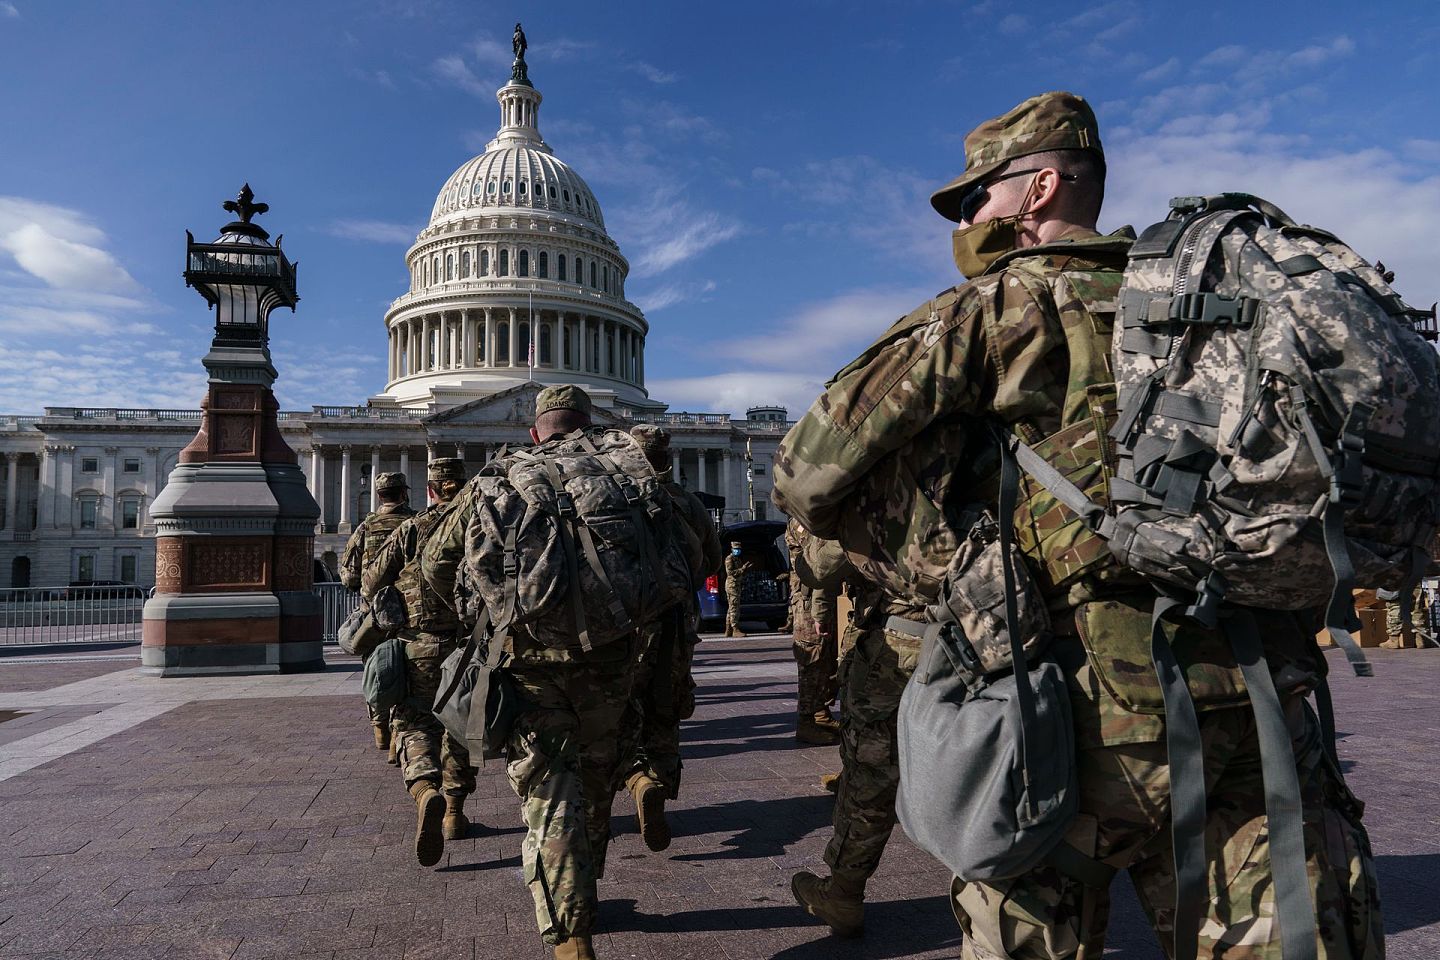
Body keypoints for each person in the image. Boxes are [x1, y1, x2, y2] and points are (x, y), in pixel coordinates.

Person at [772, 91, 1382, 957]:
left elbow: (806, 469)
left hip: (1072, 715)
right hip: (1257, 699)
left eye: (978, 193)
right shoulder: (1222, 307)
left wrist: (958, 575)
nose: (969, 214)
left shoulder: (997, 307)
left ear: (1039, 188)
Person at [419, 384, 639, 960]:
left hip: (529, 659)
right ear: (589, 424)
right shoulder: (628, 476)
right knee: (596, 782)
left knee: (549, 792)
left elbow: (435, 567)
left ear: (534, 430)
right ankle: (584, 895)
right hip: (612, 658)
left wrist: (486, 612)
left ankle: (571, 931)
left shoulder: (496, 479)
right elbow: (690, 559)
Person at [361, 457, 474, 867]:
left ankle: (426, 790)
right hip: (469, 647)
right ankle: (455, 812)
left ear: (429, 490)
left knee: (414, 723)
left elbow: (370, 581)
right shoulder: (485, 526)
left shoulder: (412, 528)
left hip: (418, 643)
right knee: (461, 726)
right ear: (461, 484)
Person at [616, 424, 723, 852]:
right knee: (665, 709)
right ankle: (658, 778)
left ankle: (636, 779)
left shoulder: (610, 499)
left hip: (625, 628)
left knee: (621, 712)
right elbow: (711, 559)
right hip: (676, 625)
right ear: (667, 455)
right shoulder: (685, 501)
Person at [338, 472, 415, 753]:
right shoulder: (416, 523)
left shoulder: (365, 528)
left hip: (375, 615)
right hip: (410, 612)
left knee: (376, 669)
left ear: (380, 495)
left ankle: (380, 727)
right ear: (403, 494)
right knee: (410, 672)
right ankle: (400, 735)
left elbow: (348, 576)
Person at [785, 518, 841, 745]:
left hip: (815, 598)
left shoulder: (805, 518)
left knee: (825, 658)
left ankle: (821, 714)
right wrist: (821, 611)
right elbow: (821, 565)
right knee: (812, 660)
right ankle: (807, 721)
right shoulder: (806, 522)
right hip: (809, 602)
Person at [723, 542, 755, 637]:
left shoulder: (737, 559)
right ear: (732, 549)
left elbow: (740, 572)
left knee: (731, 607)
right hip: (732, 586)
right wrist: (742, 569)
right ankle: (735, 629)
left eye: (739, 549)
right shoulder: (729, 559)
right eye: (736, 549)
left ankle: (728, 629)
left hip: (736, 585)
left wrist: (745, 569)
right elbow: (730, 572)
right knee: (734, 608)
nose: (738, 550)